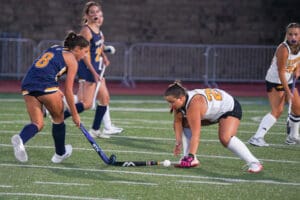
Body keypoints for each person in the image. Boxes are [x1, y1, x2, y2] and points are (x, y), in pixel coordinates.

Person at [11, 32, 89, 163]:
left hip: (28, 84)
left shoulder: (54, 47)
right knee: (58, 118)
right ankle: (60, 154)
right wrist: (75, 115)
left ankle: (21, 139)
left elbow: (44, 69)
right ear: (77, 49)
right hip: (46, 85)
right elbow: (69, 91)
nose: (85, 55)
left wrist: (56, 89)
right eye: (85, 51)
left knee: (37, 123)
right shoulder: (73, 61)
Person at [164, 81, 263, 173]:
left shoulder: (193, 105)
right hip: (212, 112)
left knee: (225, 138)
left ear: (181, 98)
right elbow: (177, 122)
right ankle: (188, 158)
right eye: (168, 102)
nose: (170, 105)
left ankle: (254, 163)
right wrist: (178, 143)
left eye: (172, 102)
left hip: (228, 108)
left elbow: (196, 135)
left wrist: (191, 155)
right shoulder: (180, 102)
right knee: (184, 123)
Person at [63, 1, 123, 138]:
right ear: (87, 15)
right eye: (92, 12)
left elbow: (99, 46)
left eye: (98, 12)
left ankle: (96, 130)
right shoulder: (86, 30)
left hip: (97, 68)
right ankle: (60, 115)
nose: (96, 14)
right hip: (88, 68)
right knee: (87, 104)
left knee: (105, 98)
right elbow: (84, 53)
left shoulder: (98, 30)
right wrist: (94, 72)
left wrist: (104, 56)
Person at [248, 22, 300, 147]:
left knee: (297, 108)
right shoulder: (283, 49)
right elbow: (281, 72)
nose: (293, 37)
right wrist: (288, 91)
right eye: (290, 34)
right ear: (286, 35)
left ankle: (292, 137)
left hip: (288, 79)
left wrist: (297, 70)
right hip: (275, 80)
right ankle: (257, 137)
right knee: (277, 110)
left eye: (296, 34)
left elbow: (297, 61)